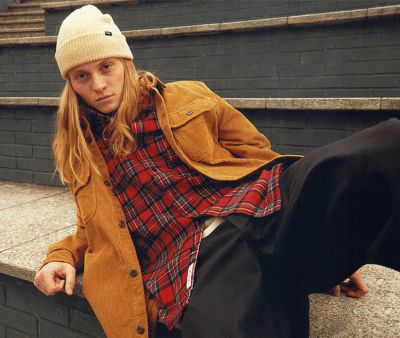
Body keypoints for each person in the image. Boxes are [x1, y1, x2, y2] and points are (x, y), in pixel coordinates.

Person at [33, 5, 400, 338]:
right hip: (198, 255)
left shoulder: (189, 96)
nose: (97, 85)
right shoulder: (78, 152)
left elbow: (257, 153)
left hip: (262, 203)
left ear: (124, 62)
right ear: (71, 84)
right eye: (82, 76)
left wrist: (323, 224)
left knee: (386, 146)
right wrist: (60, 256)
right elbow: (92, 228)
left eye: (105, 67)